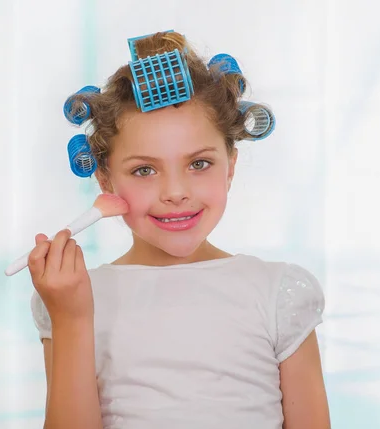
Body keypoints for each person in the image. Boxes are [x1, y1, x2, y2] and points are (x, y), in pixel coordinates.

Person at [29, 30, 330, 429]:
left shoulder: (279, 293)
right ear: (105, 181)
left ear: (231, 166)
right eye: (144, 170)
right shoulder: (74, 299)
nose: (175, 192)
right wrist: (71, 320)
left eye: (199, 163)